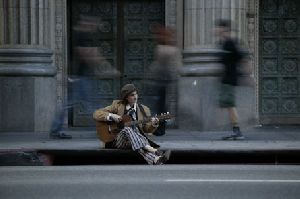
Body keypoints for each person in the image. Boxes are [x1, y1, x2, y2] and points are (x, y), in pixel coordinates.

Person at [93, 84, 171, 165]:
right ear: (126, 97)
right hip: (116, 141)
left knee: (136, 134)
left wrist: (154, 124)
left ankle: (156, 159)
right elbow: (96, 114)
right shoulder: (117, 105)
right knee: (127, 129)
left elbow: (146, 129)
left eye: (136, 94)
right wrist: (111, 116)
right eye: (132, 95)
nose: (135, 97)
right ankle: (153, 150)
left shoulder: (144, 109)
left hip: (134, 140)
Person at [214, 19, 245, 140]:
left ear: (224, 29)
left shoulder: (230, 43)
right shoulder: (223, 43)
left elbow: (241, 58)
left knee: (230, 105)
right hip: (227, 79)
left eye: (218, 28)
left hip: (230, 79)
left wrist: (246, 74)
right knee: (228, 105)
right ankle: (235, 129)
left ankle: (237, 130)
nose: (216, 30)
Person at [150, 25, 181, 136]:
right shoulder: (174, 48)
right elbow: (177, 65)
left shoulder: (161, 48)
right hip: (169, 80)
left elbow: (157, 65)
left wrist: (151, 75)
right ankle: (161, 128)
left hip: (160, 80)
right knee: (163, 105)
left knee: (160, 106)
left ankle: (159, 129)